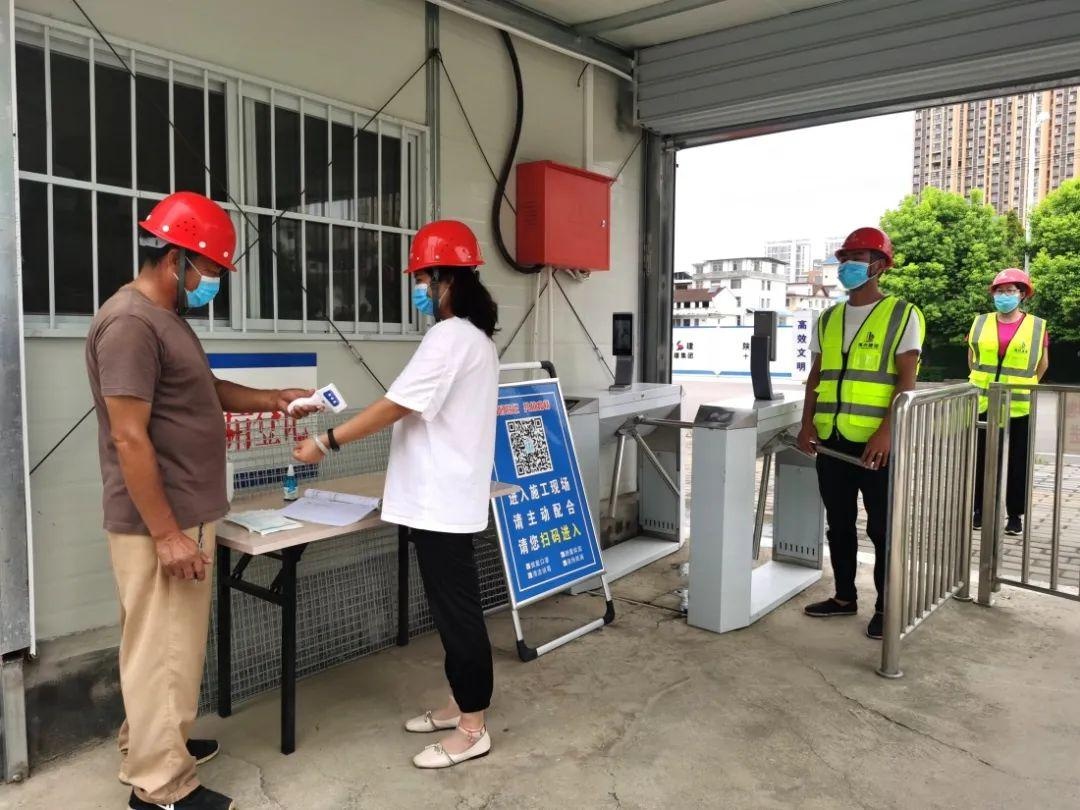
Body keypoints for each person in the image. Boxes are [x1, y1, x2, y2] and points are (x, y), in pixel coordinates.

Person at [85, 191, 319, 810]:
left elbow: (206, 389)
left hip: (182, 514)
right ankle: (162, 787)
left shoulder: (167, 318)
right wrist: (166, 533)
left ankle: (155, 747)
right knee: (166, 650)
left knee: (160, 645)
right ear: (177, 260)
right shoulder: (132, 324)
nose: (213, 282)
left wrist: (276, 399)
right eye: (212, 270)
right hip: (160, 522)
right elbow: (128, 436)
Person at [294, 219, 499, 769]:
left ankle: (474, 726)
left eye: (422, 279)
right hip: (445, 499)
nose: (418, 290)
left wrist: (326, 441)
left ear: (444, 279)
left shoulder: (449, 336)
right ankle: (460, 705)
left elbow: (396, 405)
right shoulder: (474, 340)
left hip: (442, 504)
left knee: (457, 613)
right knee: (450, 608)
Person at [797, 227, 925, 640]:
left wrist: (886, 433)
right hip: (831, 440)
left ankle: (887, 607)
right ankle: (844, 597)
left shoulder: (903, 314)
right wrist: (806, 425)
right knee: (839, 522)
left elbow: (906, 382)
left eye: (860, 256)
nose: (849, 264)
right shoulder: (829, 318)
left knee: (882, 529)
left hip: (877, 445)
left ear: (881, 265)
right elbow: (816, 376)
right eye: (846, 256)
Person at [968, 268, 1048, 536]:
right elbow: (972, 359)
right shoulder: (980, 322)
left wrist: (1023, 384)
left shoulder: (1037, 326)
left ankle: (1015, 515)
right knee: (983, 459)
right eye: (1000, 291)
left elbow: (1042, 365)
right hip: (984, 402)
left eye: (1010, 291)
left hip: (1019, 405)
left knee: (1018, 462)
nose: (1004, 296)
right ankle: (980, 509)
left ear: (1022, 294)